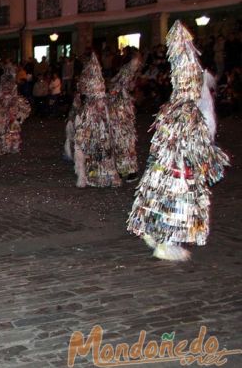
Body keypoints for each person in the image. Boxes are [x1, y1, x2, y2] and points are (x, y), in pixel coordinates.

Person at [128, 21, 229, 261]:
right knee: (178, 202)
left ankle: (154, 231)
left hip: (163, 165)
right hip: (178, 167)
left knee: (162, 199)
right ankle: (166, 243)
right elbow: (199, 141)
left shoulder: (171, 107)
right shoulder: (190, 111)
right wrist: (208, 159)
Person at [72, 53, 121, 188]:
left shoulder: (100, 106)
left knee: (102, 150)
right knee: (95, 151)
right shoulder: (91, 106)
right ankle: (96, 176)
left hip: (100, 130)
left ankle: (104, 176)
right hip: (95, 129)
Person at [107, 53, 142, 181]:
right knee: (124, 144)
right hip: (120, 115)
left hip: (121, 116)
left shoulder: (123, 78)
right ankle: (126, 170)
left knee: (124, 144)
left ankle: (127, 170)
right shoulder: (125, 77)